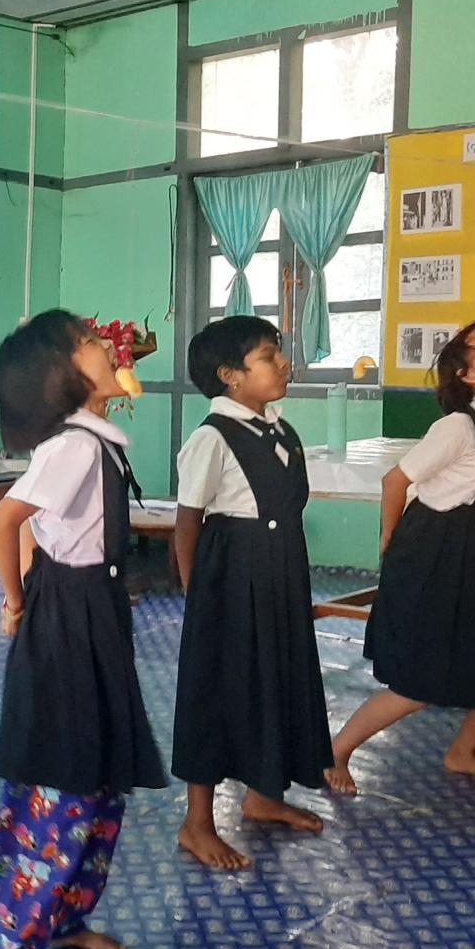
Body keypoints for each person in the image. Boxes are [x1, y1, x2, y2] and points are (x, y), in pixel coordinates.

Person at [0, 310, 166, 949]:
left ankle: (64, 921)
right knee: (63, 782)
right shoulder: (72, 448)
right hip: (69, 622)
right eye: (90, 344)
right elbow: (4, 521)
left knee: (99, 777)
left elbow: (47, 526)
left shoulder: (95, 442)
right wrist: (16, 600)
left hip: (95, 615)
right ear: (61, 374)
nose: (108, 348)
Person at [326, 321, 475, 793]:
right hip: (434, 550)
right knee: (419, 682)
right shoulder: (458, 427)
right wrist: (389, 542)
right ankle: (338, 750)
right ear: (468, 375)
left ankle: (462, 753)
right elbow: (395, 481)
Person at [171, 316, 332, 871]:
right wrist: (197, 598)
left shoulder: (281, 430)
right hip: (230, 579)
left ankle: (264, 795)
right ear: (230, 376)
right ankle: (197, 823)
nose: (283, 364)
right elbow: (187, 524)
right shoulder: (211, 438)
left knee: (276, 678)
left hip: (281, 573)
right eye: (268, 356)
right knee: (215, 689)